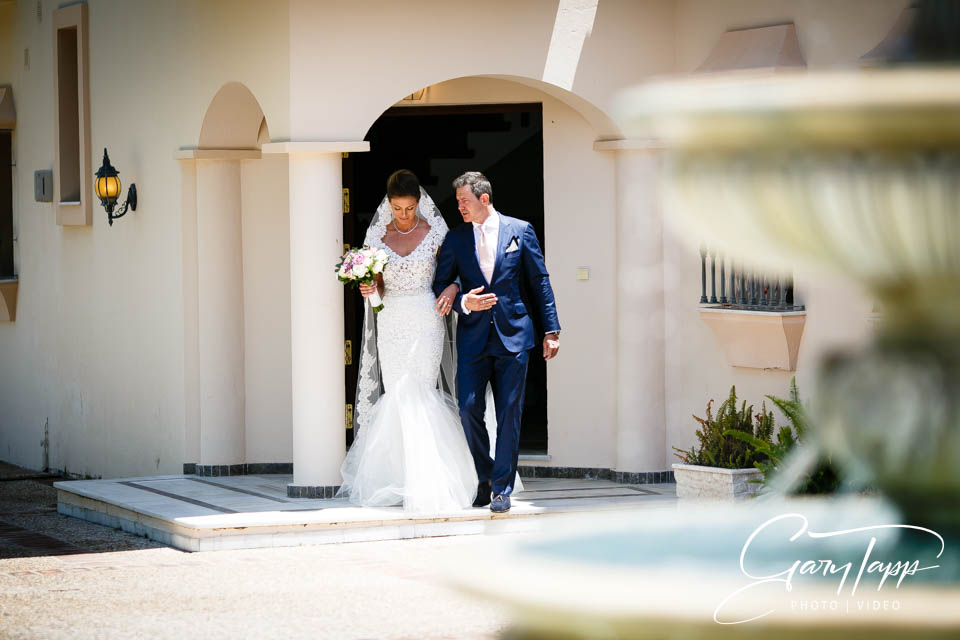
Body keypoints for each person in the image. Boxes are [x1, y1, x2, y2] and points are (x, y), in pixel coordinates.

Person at [338, 170, 476, 512]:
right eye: (398, 209)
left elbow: (458, 269)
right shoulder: (378, 237)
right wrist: (371, 289)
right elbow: (380, 289)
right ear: (389, 205)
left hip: (426, 318)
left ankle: (431, 480)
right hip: (391, 320)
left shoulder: (435, 233)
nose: (403, 216)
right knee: (397, 393)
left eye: (410, 208)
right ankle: (396, 478)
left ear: (419, 203)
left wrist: (453, 286)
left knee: (421, 391)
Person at [433, 171, 561, 514]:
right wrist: (462, 301)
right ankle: (485, 475)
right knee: (467, 408)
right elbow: (440, 283)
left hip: (514, 336)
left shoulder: (520, 231)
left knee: (509, 414)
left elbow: (540, 281)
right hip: (474, 337)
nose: (459, 206)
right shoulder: (457, 238)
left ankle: (501, 489)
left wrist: (552, 330)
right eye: (458, 201)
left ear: (484, 199)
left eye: (464, 201)